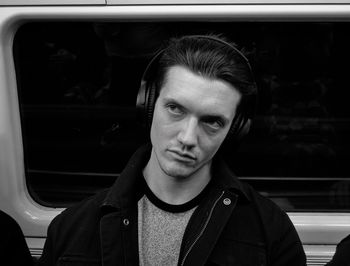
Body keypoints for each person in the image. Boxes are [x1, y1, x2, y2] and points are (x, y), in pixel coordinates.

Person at [38, 34, 306, 266]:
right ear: (148, 104)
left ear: (235, 130)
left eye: (212, 121)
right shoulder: (71, 229)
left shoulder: (272, 233)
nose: (188, 138)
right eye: (175, 109)